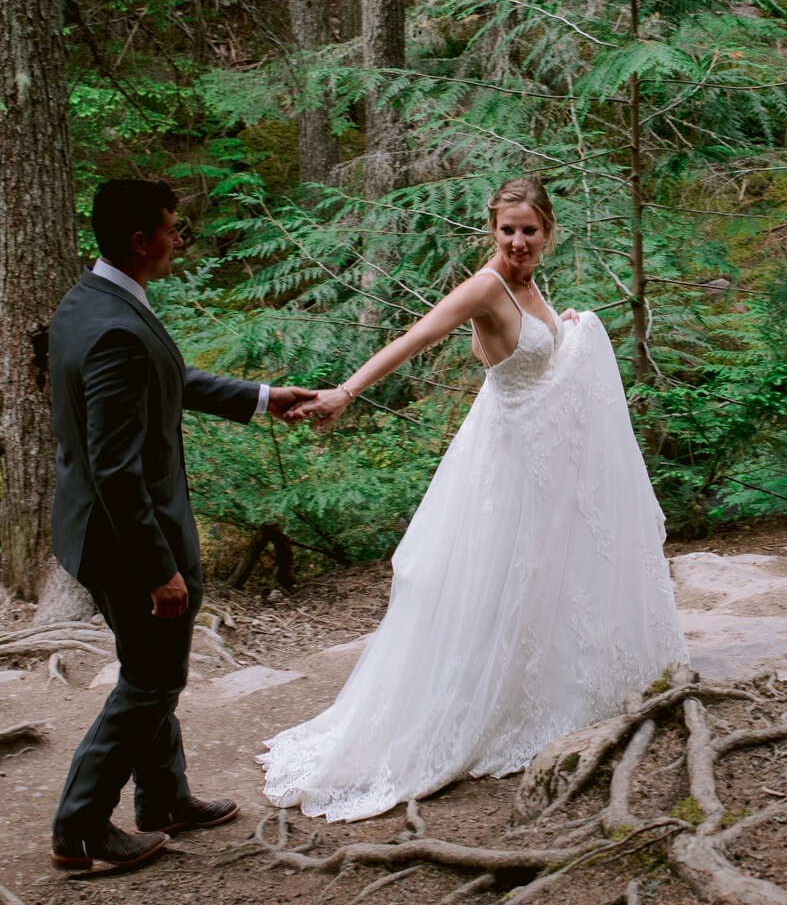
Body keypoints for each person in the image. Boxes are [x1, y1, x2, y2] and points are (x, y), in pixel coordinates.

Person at [258, 178, 689, 821]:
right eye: (506, 230)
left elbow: (536, 353)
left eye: (529, 231)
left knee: (546, 580)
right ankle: (467, 707)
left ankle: (539, 690)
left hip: (541, 462)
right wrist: (347, 392)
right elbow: (417, 337)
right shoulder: (488, 285)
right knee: (495, 581)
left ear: (547, 232)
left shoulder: (530, 285)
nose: (517, 243)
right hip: (507, 463)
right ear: (492, 231)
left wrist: (568, 329)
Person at [46, 178, 316, 870]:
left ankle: (164, 797)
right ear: (141, 241)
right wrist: (157, 567)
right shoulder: (111, 328)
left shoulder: (92, 301)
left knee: (152, 666)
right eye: (172, 228)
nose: (177, 241)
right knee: (153, 680)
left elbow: (165, 377)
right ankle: (79, 827)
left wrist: (259, 397)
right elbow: (115, 469)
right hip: (128, 539)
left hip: (94, 528)